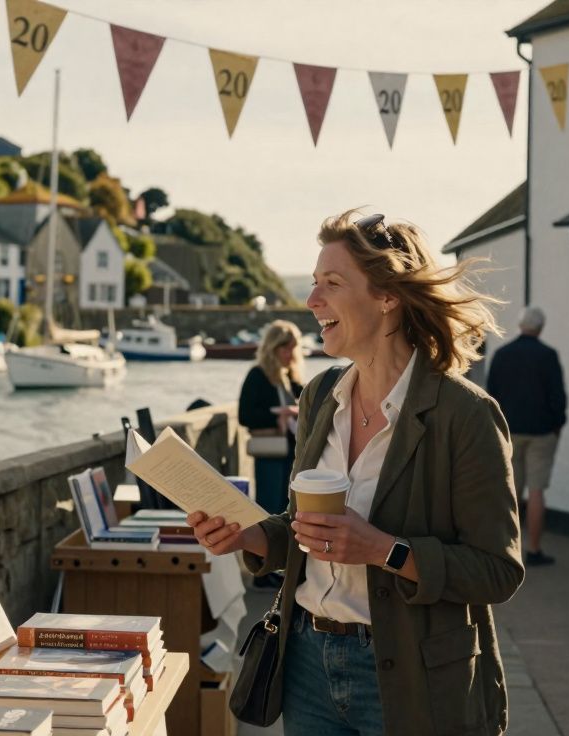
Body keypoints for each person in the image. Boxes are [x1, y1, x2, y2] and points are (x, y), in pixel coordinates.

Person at [189, 211, 523, 736]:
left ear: (387, 296)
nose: (311, 299)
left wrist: (383, 549)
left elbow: (497, 571)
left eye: (332, 283)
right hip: (305, 663)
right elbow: (299, 524)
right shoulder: (320, 395)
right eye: (315, 282)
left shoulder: (466, 415)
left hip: (412, 674)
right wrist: (250, 536)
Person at [485, 306, 566, 566]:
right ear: (540, 327)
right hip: (541, 432)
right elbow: (558, 396)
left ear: (520, 325)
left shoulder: (501, 355)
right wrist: (557, 424)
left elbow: (491, 395)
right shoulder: (548, 355)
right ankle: (534, 549)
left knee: (511, 491)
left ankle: (508, 550)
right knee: (537, 491)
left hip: (509, 431)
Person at [238, 320, 305, 515]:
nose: (290, 354)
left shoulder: (290, 376)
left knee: (289, 509)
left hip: (291, 452)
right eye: (285, 348)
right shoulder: (257, 375)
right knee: (269, 508)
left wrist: (294, 411)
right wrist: (276, 415)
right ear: (272, 348)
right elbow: (245, 415)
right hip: (270, 452)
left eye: (293, 348)